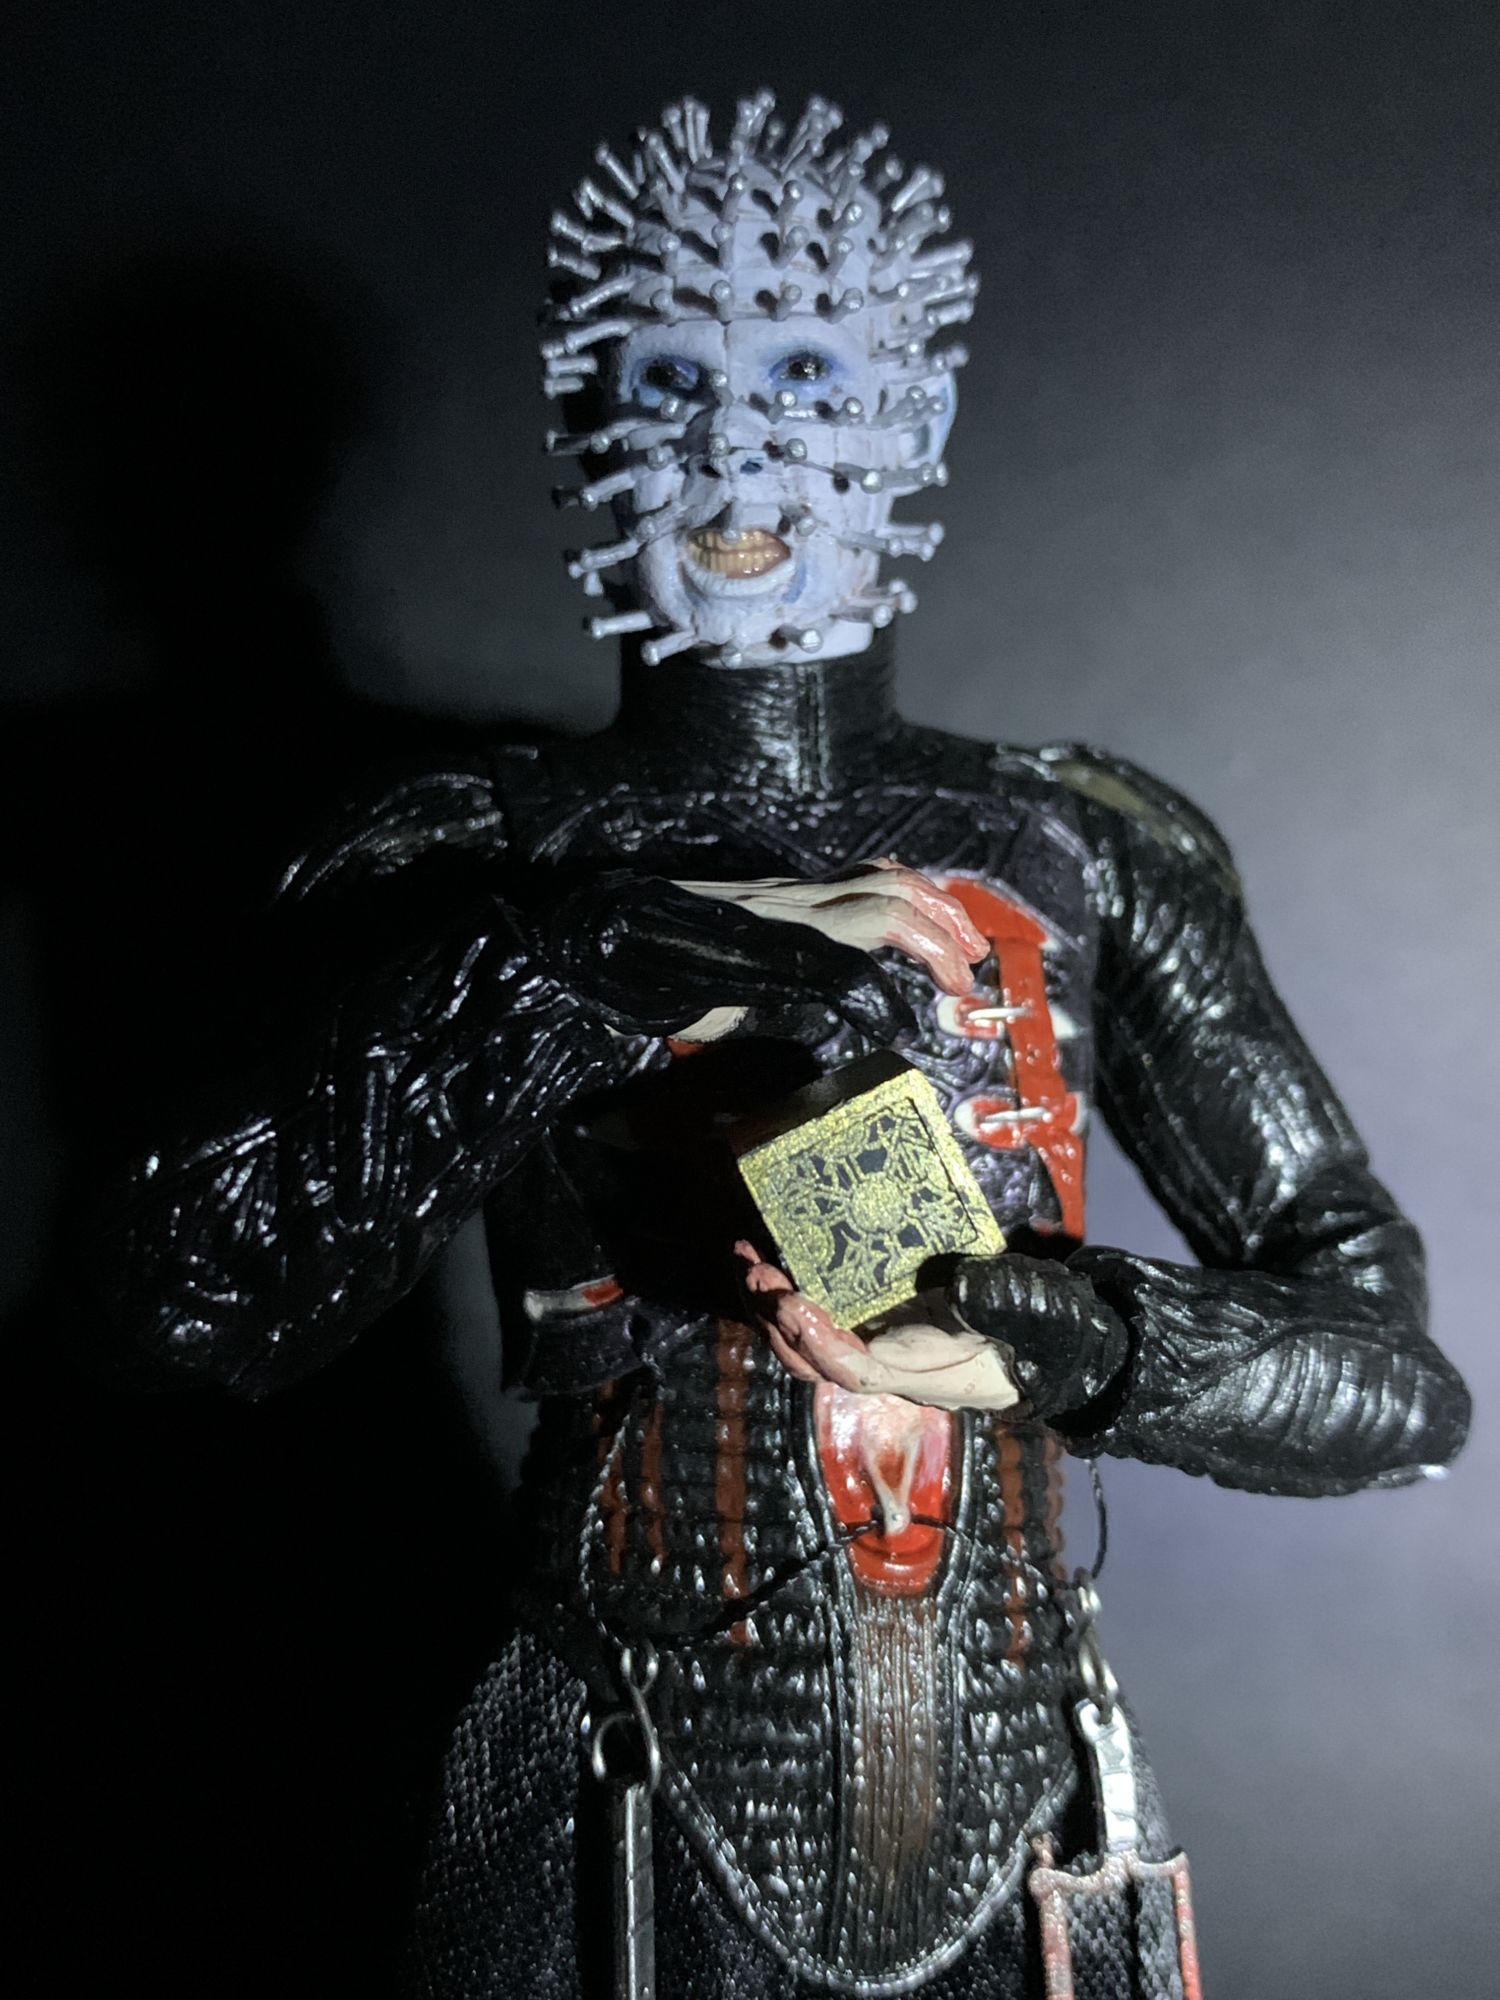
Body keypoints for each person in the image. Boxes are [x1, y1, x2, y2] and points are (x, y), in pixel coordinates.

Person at [93, 93, 1469, 1997]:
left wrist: (1086, 1343)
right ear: (585, 424)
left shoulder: (1087, 854)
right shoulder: (463, 858)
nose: (736, 447)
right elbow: (178, 1302)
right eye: (669, 380)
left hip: (1032, 1817)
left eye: (806, 375)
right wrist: (603, 958)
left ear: (913, 417)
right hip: (597, 1806)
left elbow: (1398, 1388)